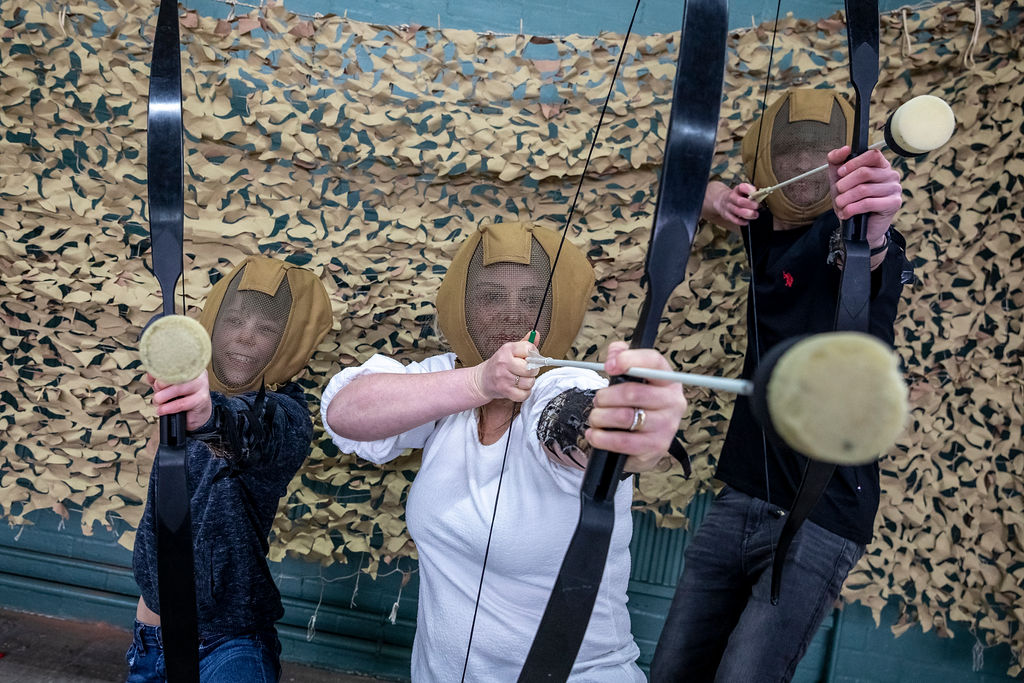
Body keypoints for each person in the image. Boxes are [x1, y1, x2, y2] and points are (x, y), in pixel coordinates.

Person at [321, 221, 689, 681]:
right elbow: (345, 411)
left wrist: (632, 425)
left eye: (533, 299)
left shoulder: (563, 384)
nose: (512, 314)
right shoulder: (451, 379)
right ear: (463, 304)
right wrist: (478, 382)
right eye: (491, 296)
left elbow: (577, 423)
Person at [650, 88, 914, 682]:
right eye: (789, 155)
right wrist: (719, 198)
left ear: (840, 166)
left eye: (817, 157)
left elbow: (866, 259)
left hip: (821, 511)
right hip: (742, 492)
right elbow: (688, 191)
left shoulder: (855, 236)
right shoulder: (764, 224)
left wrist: (872, 232)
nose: (802, 168)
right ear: (767, 160)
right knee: (671, 671)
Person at [127, 255, 332, 682]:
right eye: (235, 320)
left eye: (267, 330)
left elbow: (246, 430)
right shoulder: (188, 389)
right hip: (151, 638)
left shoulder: (287, 415)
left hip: (229, 649)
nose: (245, 337)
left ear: (290, 342)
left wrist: (205, 415)